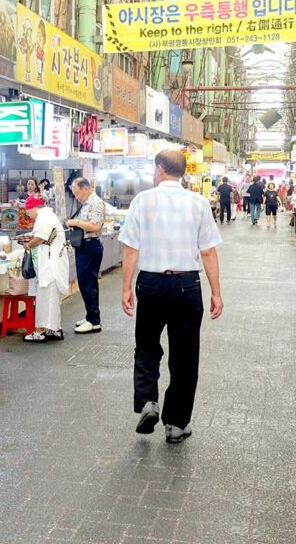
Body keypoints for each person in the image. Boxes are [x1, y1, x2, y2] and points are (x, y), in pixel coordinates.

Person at [119, 149, 223, 444]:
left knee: (147, 347)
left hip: (150, 283)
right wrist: (216, 292)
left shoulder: (143, 201)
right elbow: (208, 251)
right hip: (187, 285)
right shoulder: (198, 203)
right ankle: (176, 425)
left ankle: (148, 401)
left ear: (160, 169)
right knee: (185, 356)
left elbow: (130, 249)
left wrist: (126, 287)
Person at [22, 194, 69, 342]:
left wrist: (28, 245)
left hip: (50, 264)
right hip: (53, 261)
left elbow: (41, 237)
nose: (28, 214)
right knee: (52, 298)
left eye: (28, 211)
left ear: (34, 208)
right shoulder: (48, 215)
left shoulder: (43, 217)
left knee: (45, 296)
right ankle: (54, 328)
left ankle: (40, 331)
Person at [67, 177, 107, 334]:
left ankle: (94, 321)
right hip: (84, 245)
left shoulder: (95, 203)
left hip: (91, 246)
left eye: (77, 193)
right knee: (84, 282)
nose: (76, 197)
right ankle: (90, 315)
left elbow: (95, 226)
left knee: (88, 283)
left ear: (85, 188)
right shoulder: (86, 204)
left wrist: (75, 223)